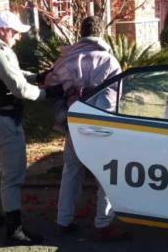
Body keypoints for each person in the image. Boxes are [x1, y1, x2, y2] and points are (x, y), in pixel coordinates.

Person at [0, 10, 63, 245]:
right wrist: (47, 93)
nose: (18, 37)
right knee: (12, 177)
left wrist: (37, 76)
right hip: (2, 122)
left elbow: (12, 75)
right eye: (16, 32)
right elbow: (19, 89)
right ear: (3, 30)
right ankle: (15, 230)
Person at [44, 16, 127, 241]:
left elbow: (50, 87)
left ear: (81, 33)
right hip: (101, 128)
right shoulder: (110, 62)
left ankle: (63, 221)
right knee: (106, 177)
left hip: (75, 126)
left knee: (71, 172)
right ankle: (103, 225)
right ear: (101, 34)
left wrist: (67, 106)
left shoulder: (64, 61)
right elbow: (111, 101)